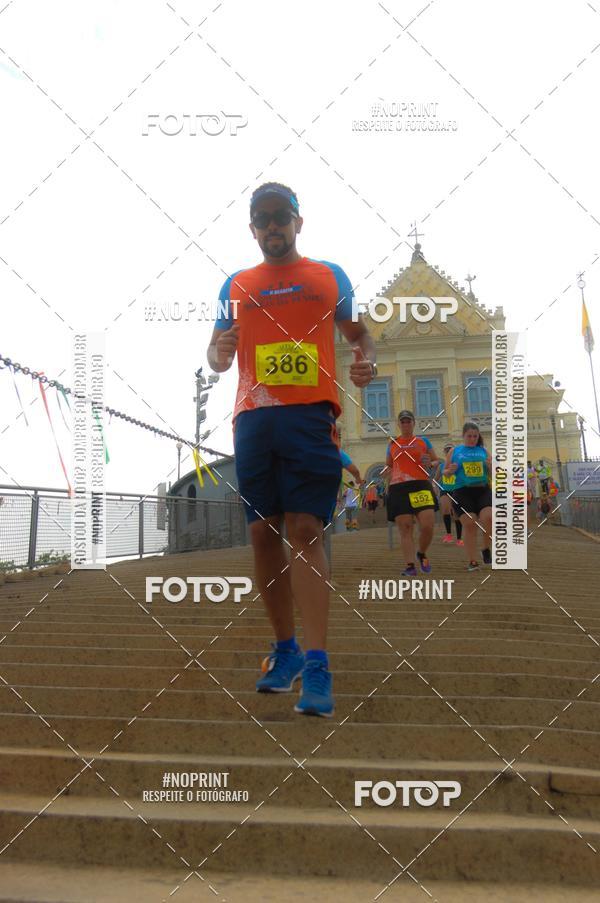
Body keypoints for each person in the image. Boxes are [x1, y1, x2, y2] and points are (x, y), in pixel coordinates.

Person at [207, 181, 376, 718]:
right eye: (263, 219)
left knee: (305, 531)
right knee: (261, 533)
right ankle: (286, 652)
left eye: (281, 216)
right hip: (254, 419)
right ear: (253, 229)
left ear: (299, 222)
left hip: (310, 418)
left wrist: (364, 359)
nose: (272, 226)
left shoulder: (329, 277)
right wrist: (219, 349)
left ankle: (319, 662)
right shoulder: (235, 284)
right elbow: (215, 359)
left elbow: (359, 335)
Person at [383, 410, 440, 577]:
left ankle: (421, 553)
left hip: (420, 485)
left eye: (409, 421)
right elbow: (389, 465)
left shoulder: (423, 441)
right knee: (405, 527)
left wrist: (431, 462)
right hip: (398, 487)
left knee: (427, 526)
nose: (406, 424)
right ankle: (410, 566)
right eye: (403, 422)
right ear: (399, 424)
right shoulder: (392, 443)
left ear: (414, 423)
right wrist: (386, 478)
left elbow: (436, 461)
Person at [444, 421, 492, 571]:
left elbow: (494, 473)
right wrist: (450, 471)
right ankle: (472, 561)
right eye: (469, 436)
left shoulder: (483, 451)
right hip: (462, 492)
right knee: (470, 524)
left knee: (489, 518)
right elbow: (445, 472)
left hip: (482, 490)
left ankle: (485, 548)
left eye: (475, 436)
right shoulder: (455, 451)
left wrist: (491, 466)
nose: (472, 439)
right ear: (463, 436)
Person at [435, 443, 463, 546]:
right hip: (445, 490)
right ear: (444, 452)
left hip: (456, 490)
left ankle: (459, 538)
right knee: (445, 510)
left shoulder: (458, 464)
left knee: (456, 514)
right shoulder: (441, 466)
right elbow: (435, 479)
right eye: (446, 450)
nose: (448, 452)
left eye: (450, 450)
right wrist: (436, 488)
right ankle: (448, 534)